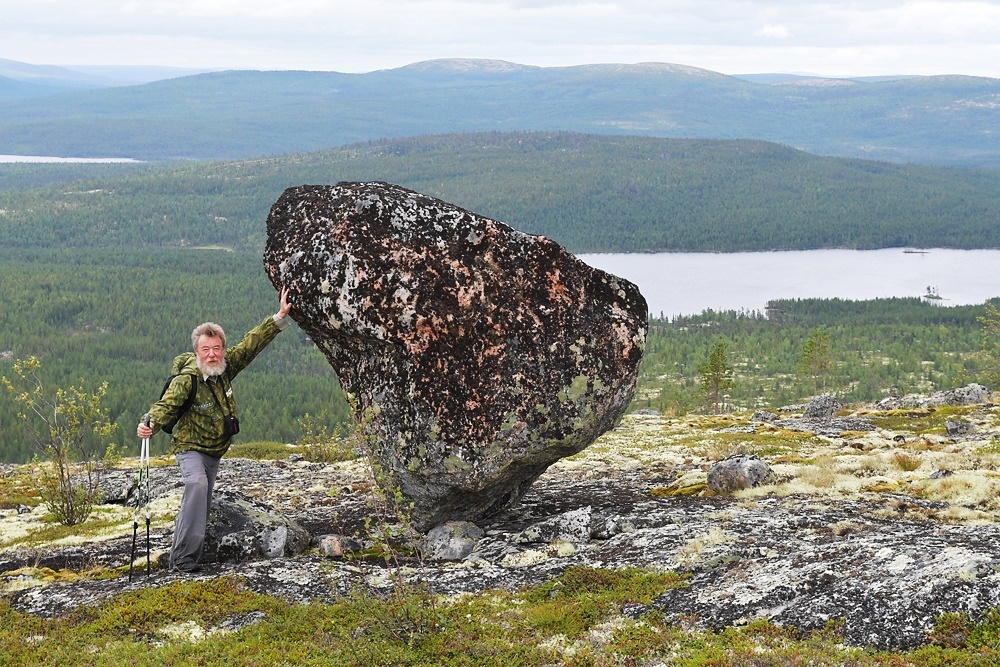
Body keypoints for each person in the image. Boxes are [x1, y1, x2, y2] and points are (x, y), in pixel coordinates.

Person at [137, 286, 292, 573]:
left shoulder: (225, 366)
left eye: (216, 348)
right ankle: (183, 559)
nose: (212, 354)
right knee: (196, 486)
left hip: (215, 451)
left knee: (203, 501)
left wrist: (279, 317)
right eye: (206, 349)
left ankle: (183, 555)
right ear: (196, 352)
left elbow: (250, 344)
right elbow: (165, 405)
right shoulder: (187, 379)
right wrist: (150, 424)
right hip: (190, 448)